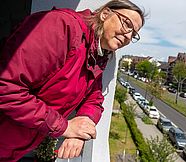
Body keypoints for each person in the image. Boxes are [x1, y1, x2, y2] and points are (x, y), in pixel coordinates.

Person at [0, 0, 145, 161]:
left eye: (134, 34)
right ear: (105, 14)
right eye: (127, 24)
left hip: (12, 149)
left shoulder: (97, 53)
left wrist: (82, 126)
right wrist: (65, 127)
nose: (128, 36)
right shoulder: (61, 27)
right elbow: (7, 88)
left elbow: (94, 98)